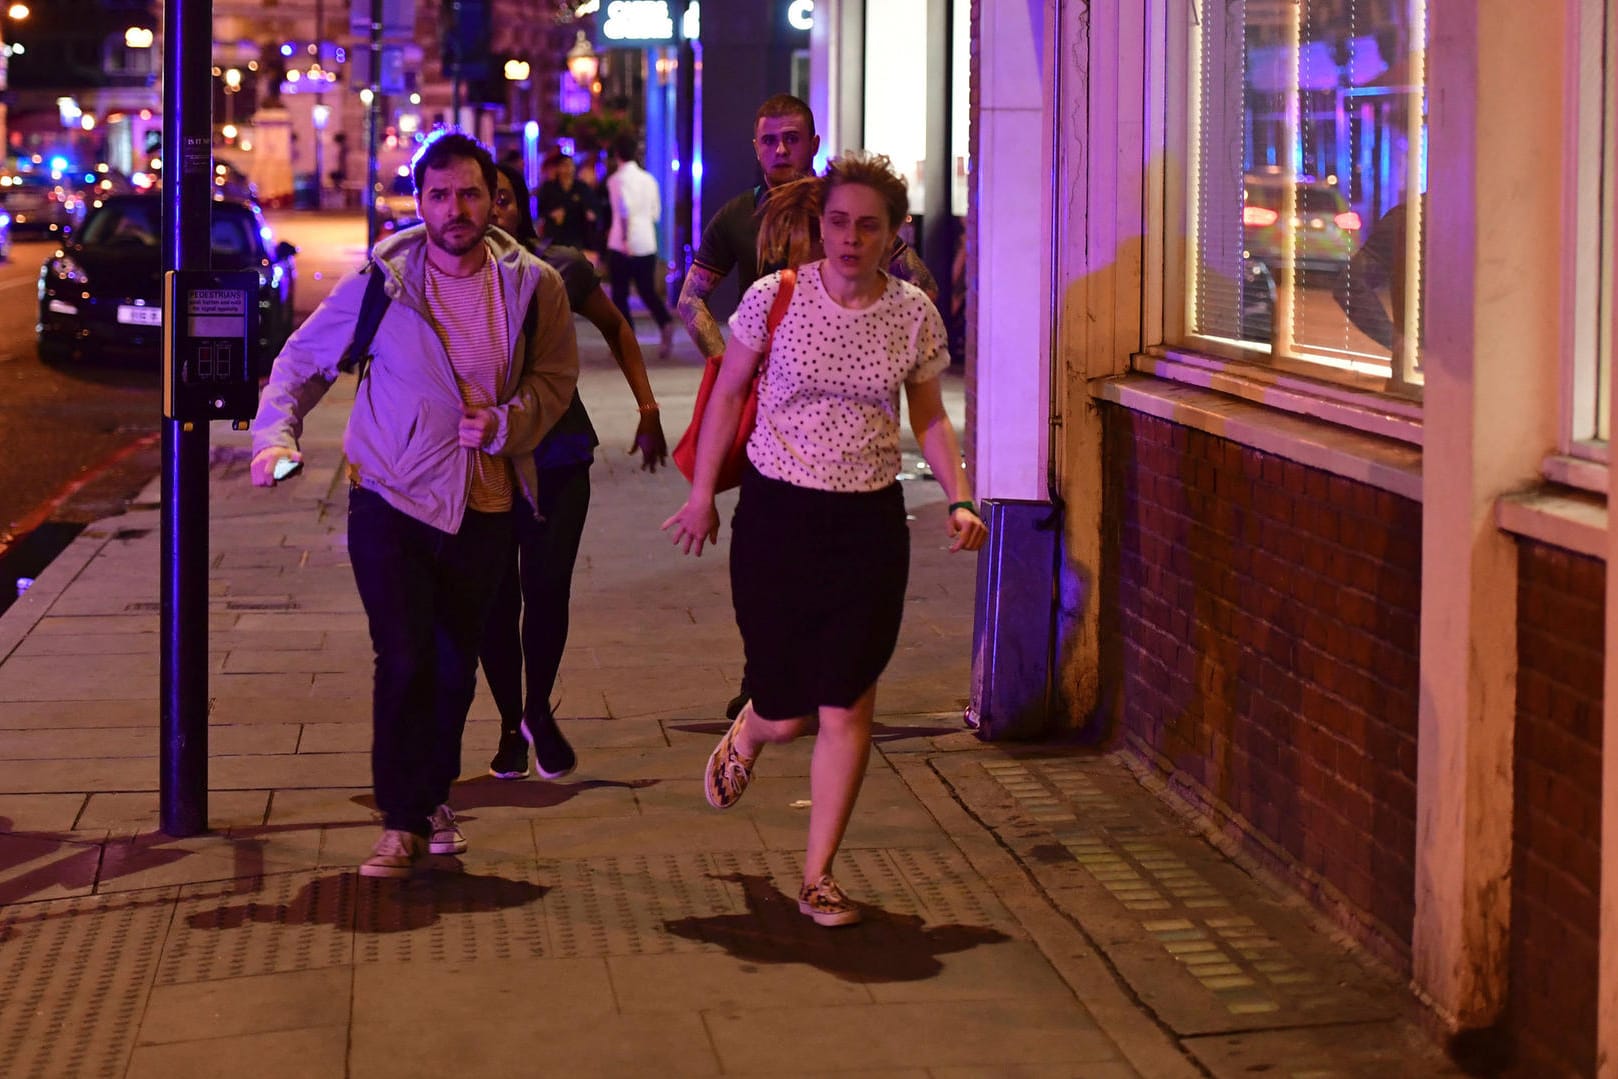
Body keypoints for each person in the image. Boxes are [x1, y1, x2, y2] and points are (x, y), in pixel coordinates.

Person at [661, 152, 987, 927]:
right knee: (788, 709)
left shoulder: (911, 313)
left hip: (867, 525)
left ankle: (818, 876)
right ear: (820, 225)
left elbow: (930, 416)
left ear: (892, 233)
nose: (849, 238)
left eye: (868, 225)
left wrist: (961, 496)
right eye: (838, 222)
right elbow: (731, 389)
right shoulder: (775, 299)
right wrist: (703, 493)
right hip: (777, 517)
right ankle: (753, 730)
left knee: (845, 701)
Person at [249, 130, 579, 880]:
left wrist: (510, 421)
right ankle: (400, 821)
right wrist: (275, 437)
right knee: (403, 657)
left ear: (494, 197)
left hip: (484, 502)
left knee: (455, 665)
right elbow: (302, 360)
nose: (454, 209)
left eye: (469, 193)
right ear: (419, 201)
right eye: (438, 194)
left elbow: (556, 381)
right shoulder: (382, 282)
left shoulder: (534, 286)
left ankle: (431, 799)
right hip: (390, 497)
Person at [676, 93, 940, 722]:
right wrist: (733, 359)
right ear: (754, 146)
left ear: (814, 141)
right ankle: (763, 677)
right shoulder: (737, 215)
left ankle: (814, 677)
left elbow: (920, 285)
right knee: (766, 541)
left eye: (792, 138)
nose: (780, 151)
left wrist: (875, 329)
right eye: (769, 141)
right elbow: (691, 299)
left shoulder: (843, 211)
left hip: (847, 414)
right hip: (769, 397)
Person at [480, 162, 667, 782]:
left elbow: (616, 327)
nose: (495, 211)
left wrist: (647, 408)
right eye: (488, 200)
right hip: (483, 462)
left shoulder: (559, 267)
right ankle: (511, 723)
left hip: (560, 454)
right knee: (495, 599)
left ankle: (537, 707)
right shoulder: (449, 277)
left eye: (503, 199)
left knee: (548, 586)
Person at [605, 133, 677, 359]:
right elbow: (656, 213)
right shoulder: (649, 180)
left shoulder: (616, 180)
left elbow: (623, 210)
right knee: (647, 291)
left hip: (621, 243)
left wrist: (625, 239)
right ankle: (665, 322)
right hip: (647, 241)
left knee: (620, 294)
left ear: (617, 154)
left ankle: (627, 341)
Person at [536, 151, 599, 251]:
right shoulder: (549, 188)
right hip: (555, 236)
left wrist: (590, 214)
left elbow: (592, 206)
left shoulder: (581, 187)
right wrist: (551, 215)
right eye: (564, 165)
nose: (568, 169)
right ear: (558, 168)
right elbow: (540, 211)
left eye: (570, 165)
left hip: (576, 237)